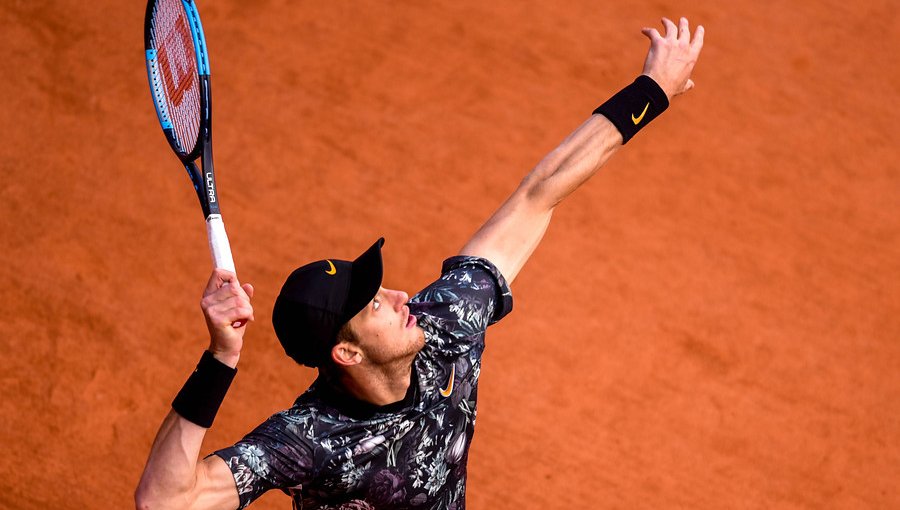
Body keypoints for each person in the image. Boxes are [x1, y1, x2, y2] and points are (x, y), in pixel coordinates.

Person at [136, 17, 704, 510]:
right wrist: (220, 358)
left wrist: (650, 91)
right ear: (346, 352)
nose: (402, 295)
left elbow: (538, 193)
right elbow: (163, 501)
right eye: (374, 302)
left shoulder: (447, 328)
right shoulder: (309, 441)